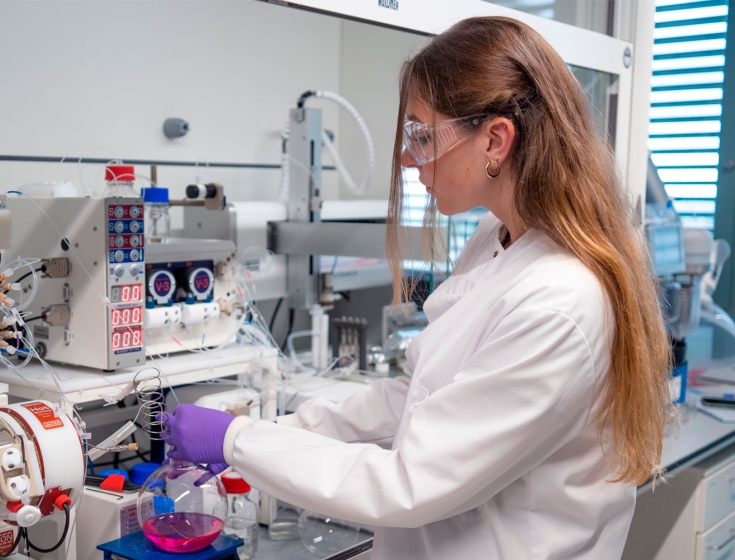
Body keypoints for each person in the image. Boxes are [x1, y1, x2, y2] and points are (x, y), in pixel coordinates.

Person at [160, 16, 670, 559]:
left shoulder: (559, 301)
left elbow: (410, 485)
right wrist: (276, 429)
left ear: (496, 139)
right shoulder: (499, 240)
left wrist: (237, 443)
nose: (408, 157)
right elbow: (417, 395)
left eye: (422, 134)